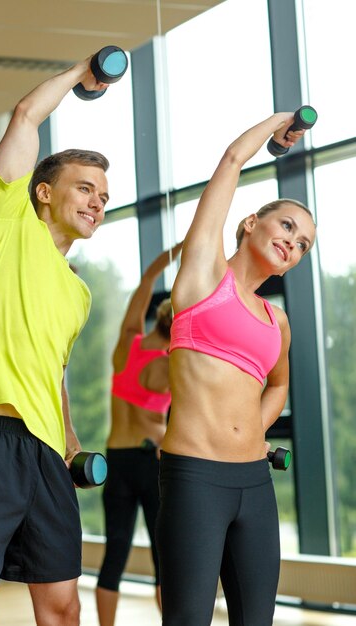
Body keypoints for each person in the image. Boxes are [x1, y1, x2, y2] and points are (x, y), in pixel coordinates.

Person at [0, 54, 111, 626]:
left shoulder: (78, 292)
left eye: (103, 197)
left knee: (63, 607)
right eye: (84, 188)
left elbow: (51, 371)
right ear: (41, 193)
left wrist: (71, 440)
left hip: (45, 455)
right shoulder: (3, 223)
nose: (96, 203)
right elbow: (27, 114)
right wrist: (84, 70)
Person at [155, 113, 317, 625]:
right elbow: (230, 161)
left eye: (304, 244)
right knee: (188, 619)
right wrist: (278, 125)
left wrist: (254, 428)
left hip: (254, 483)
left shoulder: (278, 320)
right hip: (195, 478)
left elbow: (280, 383)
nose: (293, 242)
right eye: (287, 225)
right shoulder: (204, 277)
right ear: (251, 223)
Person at [96, 242, 183, 626]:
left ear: (156, 319)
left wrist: (172, 253)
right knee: (165, 558)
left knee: (115, 554)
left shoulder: (127, 343)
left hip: (117, 457)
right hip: (151, 461)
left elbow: (147, 280)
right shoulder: (173, 365)